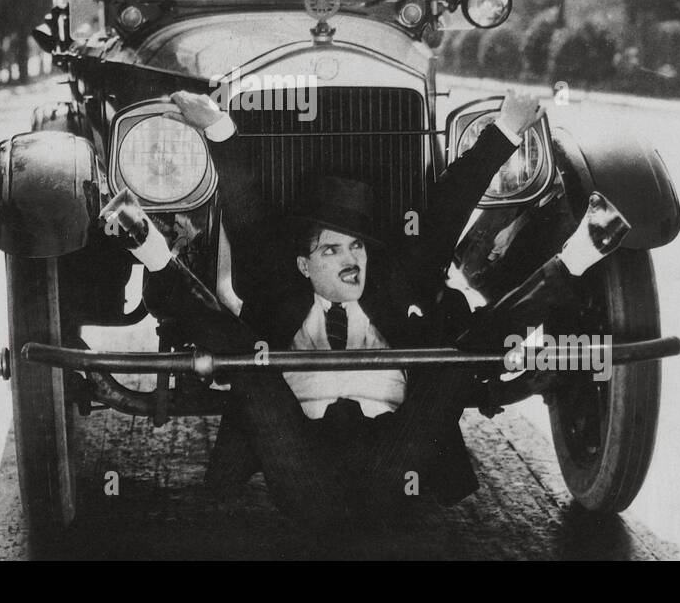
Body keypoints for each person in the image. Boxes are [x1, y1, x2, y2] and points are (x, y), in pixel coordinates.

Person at [158, 88, 630, 530]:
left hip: (396, 457)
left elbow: (446, 212)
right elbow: (249, 214)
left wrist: (506, 128)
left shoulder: (396, 287)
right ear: (302, 264)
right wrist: (217, 126)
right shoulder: (280, 291)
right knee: (247, 362)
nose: (351, 259)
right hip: (301, 462)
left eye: (357, 246)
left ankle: (579, 257)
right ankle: (151, 252)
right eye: (333, 250)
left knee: (460, 356)